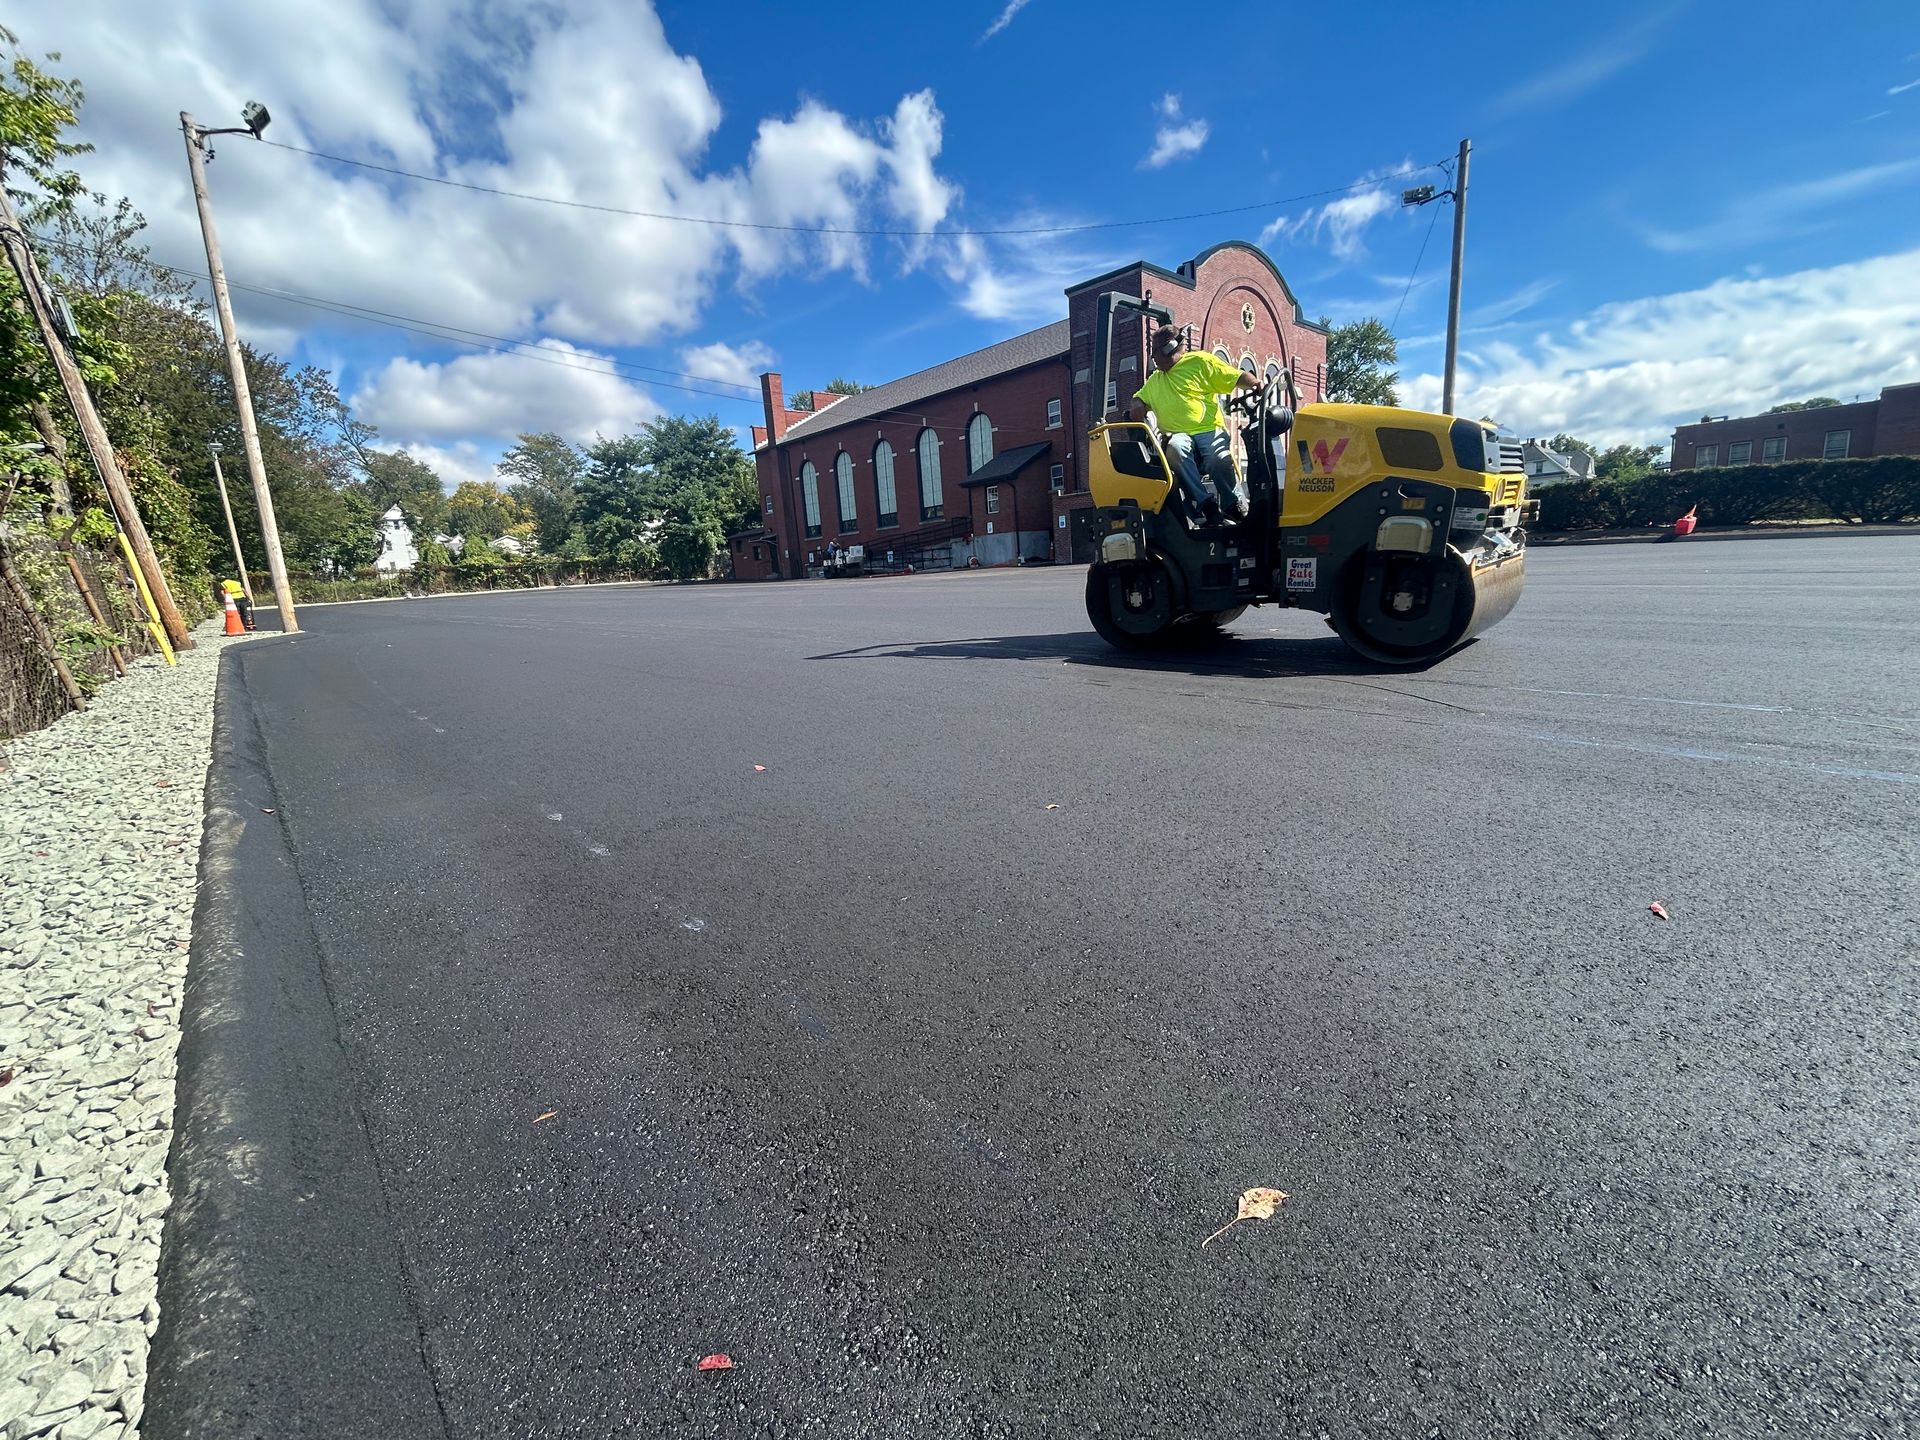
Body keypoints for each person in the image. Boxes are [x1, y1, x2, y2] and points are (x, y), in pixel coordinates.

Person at [1131, 326, 1264, 526]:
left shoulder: (1200, 362)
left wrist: (1255, 384)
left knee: (1218, 459)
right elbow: (1138, 398)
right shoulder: (1155, 380)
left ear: (1170, 348)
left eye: (1156, 351)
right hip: (1179, 435)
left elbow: (1234, 376)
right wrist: (1136, 403)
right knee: (1175, 448)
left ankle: (1233, 504)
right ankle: (1206, 505)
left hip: (1209, 429)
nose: (1153, 357)